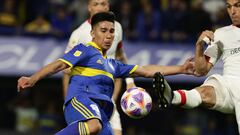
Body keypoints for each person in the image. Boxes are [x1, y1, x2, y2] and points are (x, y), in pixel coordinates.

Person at [17, 12, 196, 135]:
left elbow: (146, 70)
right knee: (94, 125)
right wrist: (33, 78)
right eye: (104, 31)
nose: (109, 35)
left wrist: (181, 69)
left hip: (102, 113)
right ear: (92, 33)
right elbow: (58, 65)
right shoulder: (85, 50)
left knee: (99, 125)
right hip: (81, 101)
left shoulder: (113, 65)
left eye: (112, 31)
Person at [159, 0, 240, 133]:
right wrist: (199, 47)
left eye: (238, 5)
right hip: (229, 86)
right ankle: (172, 97)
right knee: (205, 92)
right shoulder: (221, 34)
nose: (232, 11)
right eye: (229, 7)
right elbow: (201, 70)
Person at [63, 0, 135, 134]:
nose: (100, 7)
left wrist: (130, 83)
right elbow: (66, 71)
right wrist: (67, 102)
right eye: (96, 4)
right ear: (89, 7)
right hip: (87, 99)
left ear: (108, 6)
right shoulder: (79, 34)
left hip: (107, 98)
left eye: (103, 4)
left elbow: (119, 56)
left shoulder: (116, 27)